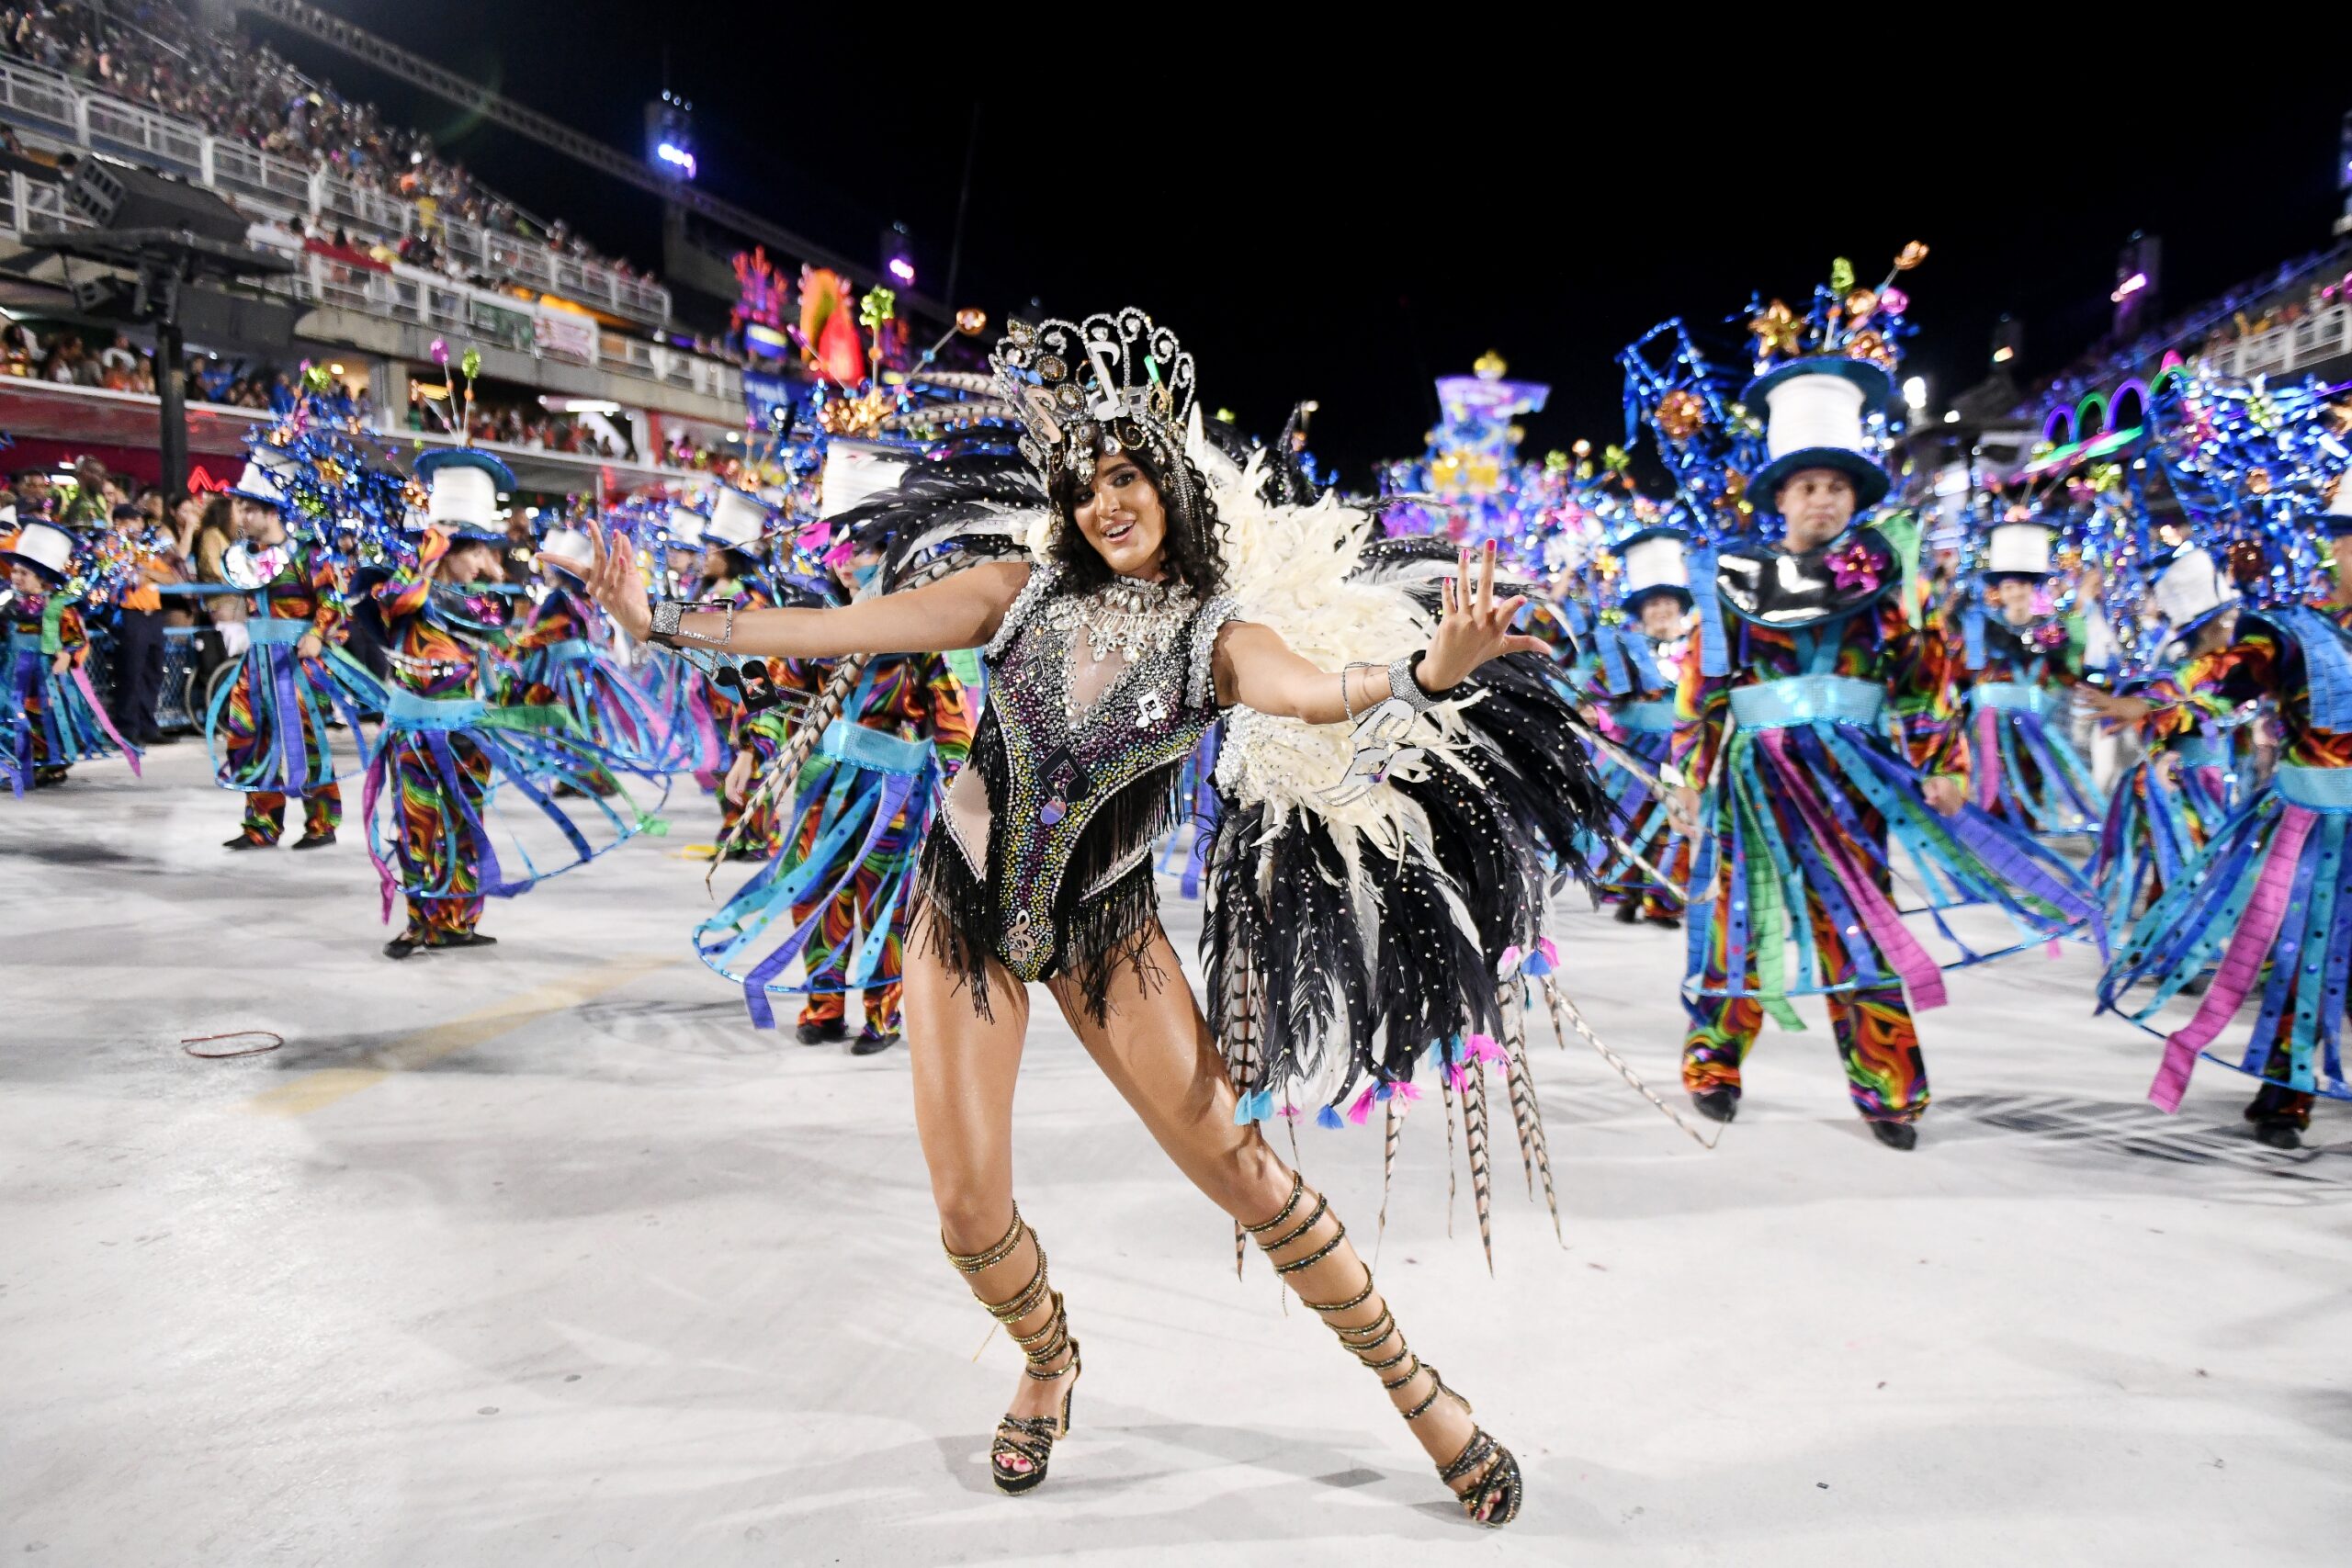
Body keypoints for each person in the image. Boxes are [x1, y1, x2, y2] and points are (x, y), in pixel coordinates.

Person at [582, 310, 1583, 1527]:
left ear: (1171, 488)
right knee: (966, 1210)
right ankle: (1048, 1358)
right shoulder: (1012, 594)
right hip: (963, 916)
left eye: (1128, 477)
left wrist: (1422, 673)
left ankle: (1422, 1394)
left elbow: (1310, 693)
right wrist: (661, 622)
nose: (1107, 501)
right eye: (1087, 482)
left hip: (1111, 939)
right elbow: (837, 628)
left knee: (1248, 1177)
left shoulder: (1220, 636)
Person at [1657, 318, 2096, 1149]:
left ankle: (1889, 1088)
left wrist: (1942, 760)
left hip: (1849, 782)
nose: (1822, 499)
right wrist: (1687, 774)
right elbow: (1702, 691)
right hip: (1753, 781)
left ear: (1857, 497)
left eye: (1837, 486)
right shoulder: (1731, 586)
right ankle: (1713, 1065)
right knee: (1739, 922)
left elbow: (1927, 679)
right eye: (1807, 485)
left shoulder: (1888, 591)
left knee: (1859, 923)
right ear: (1779, 497)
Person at [2093, 402, 2352, 1150]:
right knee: (2305, 956)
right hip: (2313, 827)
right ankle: (2286, 1093)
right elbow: (2221, 678)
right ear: (2336, 545)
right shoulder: (2292, 628)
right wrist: (2156, 704)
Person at [695, 540, 975, 1053]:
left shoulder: (921, 629)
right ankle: (823, 1008)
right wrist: (748, 751)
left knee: (886, 904)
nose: (845, 562)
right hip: (822, 790)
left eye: (861, 550)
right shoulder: (820, 622)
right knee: (815, 895)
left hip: (893, 795)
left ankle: (882, 1015)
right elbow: (771, 691)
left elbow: (951, 713)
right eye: (839, 550)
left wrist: (961, 788)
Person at [209, 449, 368, 852]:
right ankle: (261, 824)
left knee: (308, 739)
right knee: (247, 736)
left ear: (272, 512)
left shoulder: (307, 554)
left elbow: (334, 599)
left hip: (298, 663)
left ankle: (322, 822)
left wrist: (318, 633)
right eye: (240, 508)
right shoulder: (245, 557)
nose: (242, 516)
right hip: (256, 662)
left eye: (250, 509)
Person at [1951, 517, 2105, 835]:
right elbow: (1963, 668)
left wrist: (2080, 610)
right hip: (1990, 720)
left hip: (2034, 723)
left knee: (2031, 773)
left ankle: (2026, 827)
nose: (2016, 592)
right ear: (1999, 591)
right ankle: (1992, 826)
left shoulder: (2052, 630)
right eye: (2009, 586)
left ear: (2031, 588)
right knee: (1992, 771)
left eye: (2021, 585)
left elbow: (2068, 670)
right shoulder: (1982, 628)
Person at [3, 521, 139, 793]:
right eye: (15, 571)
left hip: (44, 674)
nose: (16, 577)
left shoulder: (57, 607)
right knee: (16, 716)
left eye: (24, 573)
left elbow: (76, 638)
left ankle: (48, 765)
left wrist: (67, 655)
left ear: (42, 578)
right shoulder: (9, 604)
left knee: (45, 718)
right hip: (14, 671)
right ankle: (27, 763)